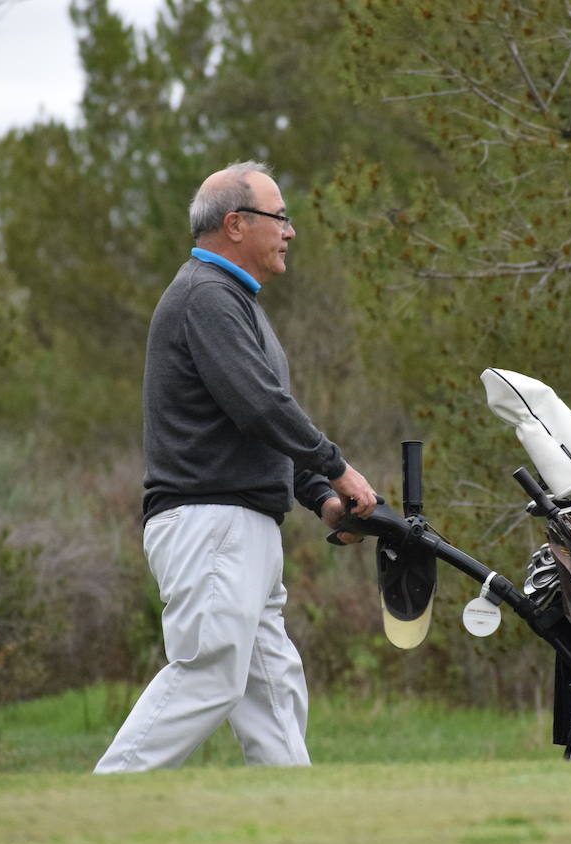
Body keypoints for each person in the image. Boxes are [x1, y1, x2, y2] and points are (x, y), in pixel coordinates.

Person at [94, 161, 377, 772]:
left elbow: (258, 424)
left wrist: (321, 497)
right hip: (210, 524)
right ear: (236, 225)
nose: (290, 231)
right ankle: (106, 798)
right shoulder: (205, 296)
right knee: (209, 677)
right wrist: (337, 469)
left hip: (241, 528)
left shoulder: (234, 303)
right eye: (280, 217)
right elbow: (260, 405)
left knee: (272, 688)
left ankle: (289, 826)